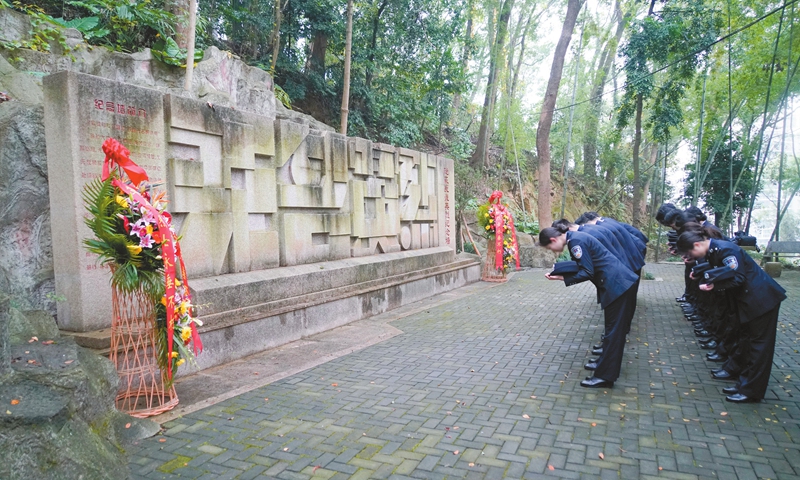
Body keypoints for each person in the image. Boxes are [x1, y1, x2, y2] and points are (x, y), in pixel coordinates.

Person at [676, 225, 787, 403]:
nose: (689, 258)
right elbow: (721, 270)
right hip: (749, 302)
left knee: (758, 347)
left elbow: (738, 276)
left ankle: (751, 391)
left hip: (761, 301)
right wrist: (701, 273)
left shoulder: (726, 250)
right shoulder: (714, 250)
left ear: (697, 245)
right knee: (746, 341)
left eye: (689, 254)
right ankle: (743, 382)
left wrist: (714, 285)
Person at [539, 227, 639, 388]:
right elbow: (586, 263)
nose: (553, 250)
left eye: (550, 248)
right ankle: (603, 365)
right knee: (611, 331)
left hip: (618, 286)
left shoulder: (575, 242)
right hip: (618, 284)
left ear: (553, 240)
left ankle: (605, 377)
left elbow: (587, 271)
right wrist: (562, 269)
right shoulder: (576, 238)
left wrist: (562, 278)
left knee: (614, 333)